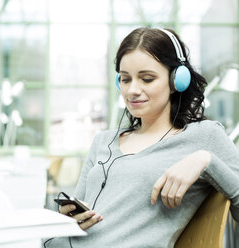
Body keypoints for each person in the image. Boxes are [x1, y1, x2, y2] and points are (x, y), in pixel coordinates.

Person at [44, 27, 239, 248]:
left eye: (147, 79)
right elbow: (71, 218)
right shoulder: (103, 141)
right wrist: (69, 218)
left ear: (177, 80)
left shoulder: (204, 137)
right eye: (125, 80)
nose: (132, 90)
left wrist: (206, 161)